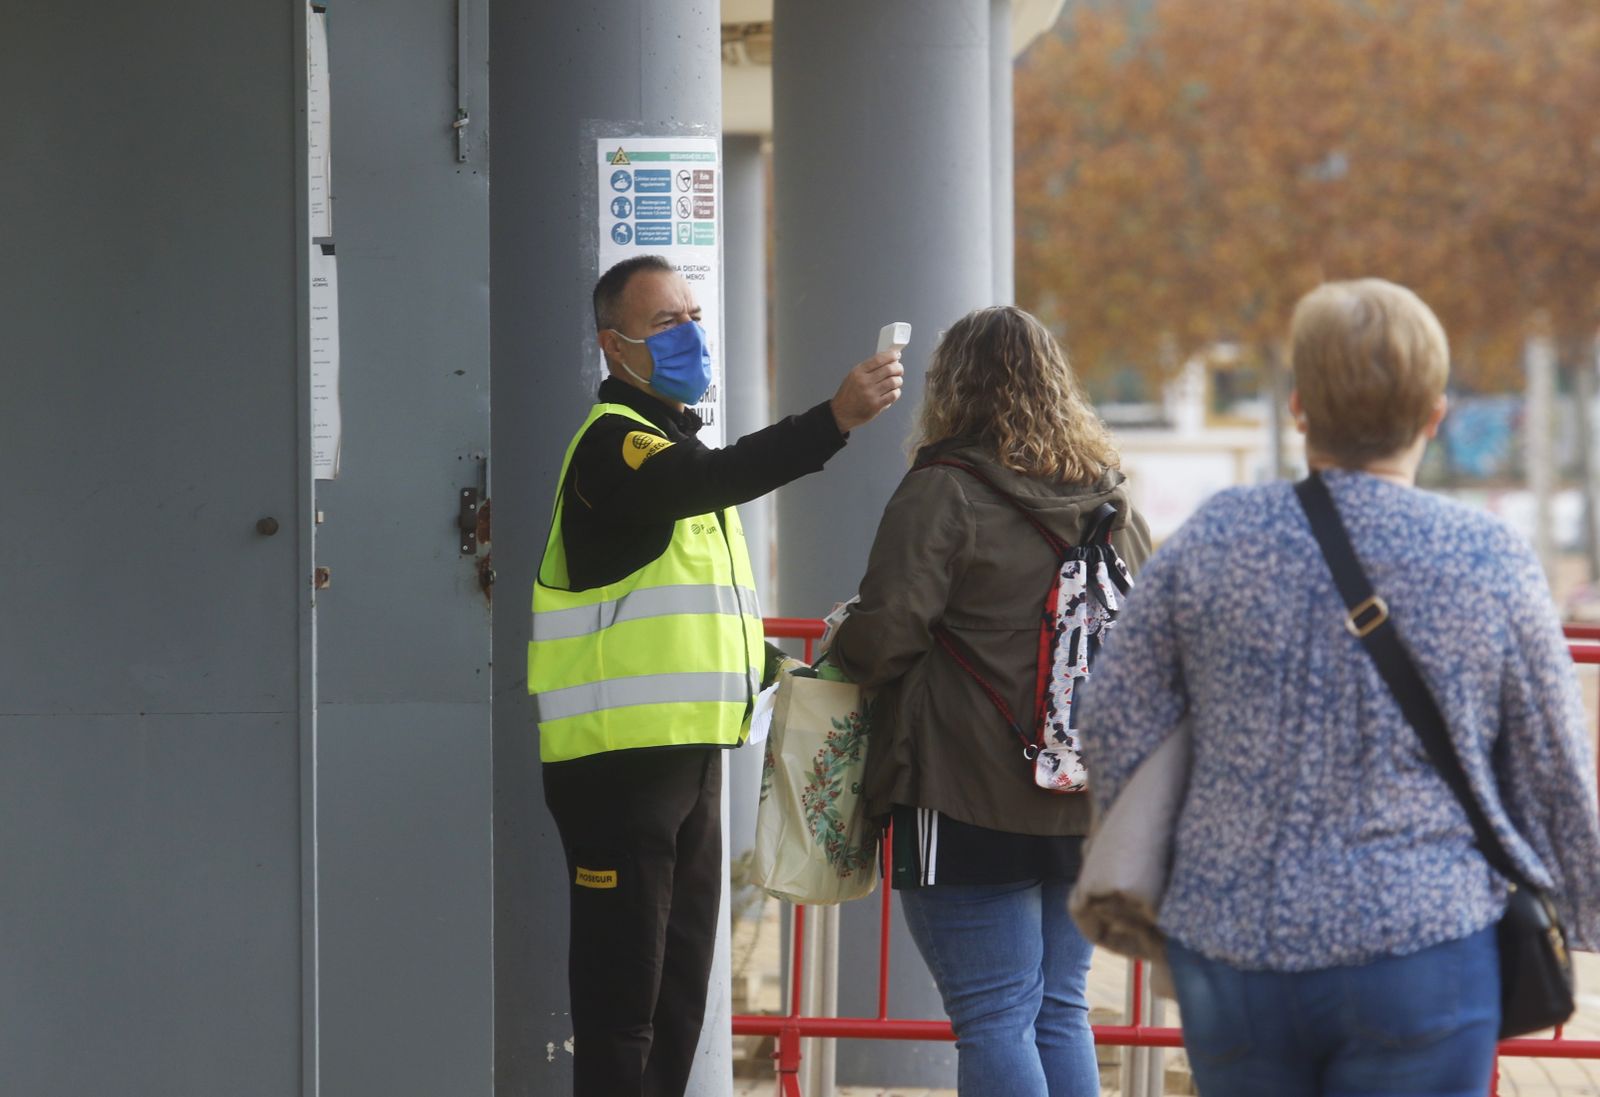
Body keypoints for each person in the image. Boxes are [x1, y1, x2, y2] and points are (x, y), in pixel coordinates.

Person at [1082, 278, 1600, 1096]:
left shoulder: (1217, 538)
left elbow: (1111, 711)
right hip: (1423, 937)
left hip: (1234, 939)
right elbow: (1554, 763)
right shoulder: (1488, 557)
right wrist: (1584, 901)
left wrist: (1177, 850)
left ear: (1299, 409)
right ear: (1435, 415)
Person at [529, 254, 903, 1097]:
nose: (690, 333)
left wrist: (782, 669)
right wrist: (832, 420)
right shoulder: (615, 450)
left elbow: (694, 618)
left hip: (686, 760)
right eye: (666, 322)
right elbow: (706, 480)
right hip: (615, 768)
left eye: (693, 314)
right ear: (612, 346)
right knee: (621, 1003)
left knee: (676, 997)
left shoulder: (669, 453)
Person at [830, 305, 1152, 1097]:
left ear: (953, 388)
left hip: (962, 787)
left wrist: (845, 638)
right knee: (1058, 1008)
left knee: (993, 1015)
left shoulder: (943, 488)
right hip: (1081, 793)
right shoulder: (1108, 498)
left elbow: (885, 639)